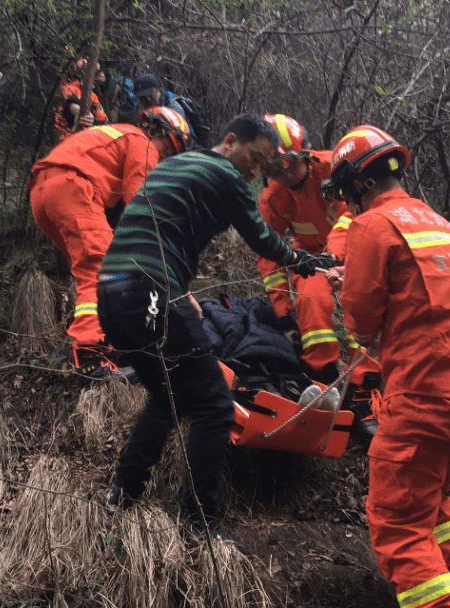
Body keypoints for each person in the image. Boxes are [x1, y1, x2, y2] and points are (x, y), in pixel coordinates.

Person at [97, 114, 333, 553]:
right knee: (214, 404)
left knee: (169, 398)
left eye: (265, 165)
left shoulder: (175, 165)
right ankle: (198, 523)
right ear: (230, 141)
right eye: (256, 158)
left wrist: (177, 289)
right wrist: (308, 263)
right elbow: (262, 238)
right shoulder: (224, 173)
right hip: (151, 290)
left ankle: (122, 496)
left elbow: (153, 226)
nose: (257, 170)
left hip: (113, 295)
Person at [325, 125, 450, 608]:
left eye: (345, 192)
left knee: (400, 526)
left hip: (424, 401)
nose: (346, 204)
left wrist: (350, 282)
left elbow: (362, 323)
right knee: (431, 507)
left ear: (360, 184)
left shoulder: (370, 227)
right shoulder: (439, 224)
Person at [29, 107, 193, 379]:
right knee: (102, 269)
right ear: (164, 134)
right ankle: (90, 356)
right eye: (171, 150)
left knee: (103, 269)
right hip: (72, 187)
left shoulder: (118, 134)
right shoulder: (143, 144)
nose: (167, 158)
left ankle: (111, 339)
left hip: (43, 193)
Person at [256, 113, 383, 437]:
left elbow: (349, 217)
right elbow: (269, 256)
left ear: (303, 155)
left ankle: (362, 390)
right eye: (271, 168)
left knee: (364, 302)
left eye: (283, 164)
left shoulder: (334, 168)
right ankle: (322, 380)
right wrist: (284, 313)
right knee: (312, 298)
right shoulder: (273, 197)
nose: (279, 175)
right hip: (310, 256)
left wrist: (336, 254)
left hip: (356, 246)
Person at [132, 73, 215, 148]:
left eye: (149, 94)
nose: (147, 98)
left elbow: (185, 138)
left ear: (157, 89)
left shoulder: (174, 107)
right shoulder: (141, 107)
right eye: (142, 97)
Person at [54, 58, 110, 142]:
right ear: (81, 74)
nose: (93, 77)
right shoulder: (69, 89)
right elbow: (71, 107)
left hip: (84, 138)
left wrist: (95, 122)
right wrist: (87, 116)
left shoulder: (93, 96)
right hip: (65, 136)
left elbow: (103, 120)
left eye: (94, 74)